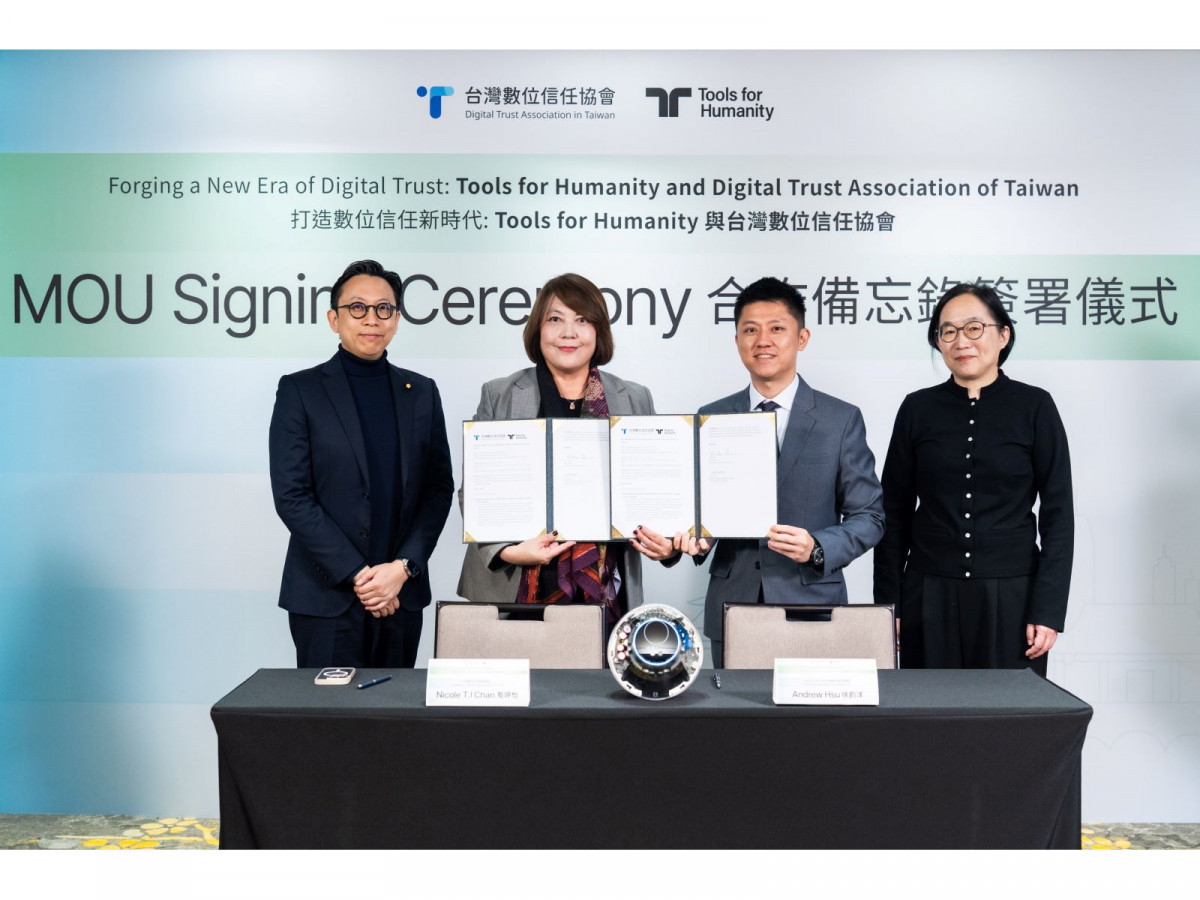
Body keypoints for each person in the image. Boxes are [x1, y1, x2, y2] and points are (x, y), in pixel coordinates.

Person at [641, 277, 885, 667]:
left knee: (812, 708)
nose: (762, 341)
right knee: (732, 709)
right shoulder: (711, 416)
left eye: (776, 329)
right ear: (737, 340)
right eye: (750, 330)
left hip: (812, 604)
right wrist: (678, 542)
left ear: (802, 338)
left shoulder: (840, 419)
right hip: (733, 606)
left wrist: (817, 547)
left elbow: (869, 516)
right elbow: (693, 511)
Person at [872, 284, 1073, 675]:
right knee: (931, 708)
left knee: (1009, 710)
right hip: (928, 593)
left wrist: (1047, 609)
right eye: (947, 331)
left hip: (1013, 595)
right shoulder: (917, 408)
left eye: (974, 328)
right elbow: (892, 512)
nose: (961, 341)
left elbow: (1059, 515)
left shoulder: (1035, 406)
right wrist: (887, 606)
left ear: (1003, 335)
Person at [269, 259, 453, 668]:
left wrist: (403, 568)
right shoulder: (300, 390)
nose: (372, 319)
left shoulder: (422, 392)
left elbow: (438, 489)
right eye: (357, 308)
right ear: (334, 319)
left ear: (397, 319)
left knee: (395, 709)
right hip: (327, 597)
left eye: (384, 308)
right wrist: (361, 576)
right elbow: (292, 496)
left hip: (401, 595)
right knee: (327, 711)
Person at [456, 273, 657, 627]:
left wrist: (667, 539)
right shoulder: (499, 393)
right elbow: (474, 489)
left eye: (582, 320)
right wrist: (508, 551)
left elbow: (650, 486)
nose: (568, 333)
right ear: (538, 329)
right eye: (555, 319)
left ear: (599, 331)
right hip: (516, 580)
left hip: (605, 586)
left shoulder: (634, 397)